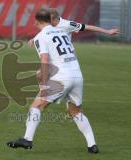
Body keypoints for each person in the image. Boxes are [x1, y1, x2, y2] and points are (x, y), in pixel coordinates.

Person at [7, 8, 100, 153]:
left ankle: (27, 140)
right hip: (77, 75)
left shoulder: (41, 36)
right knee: (75, 111)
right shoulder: (62, 31)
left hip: (62, 78)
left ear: (37, 21)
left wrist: (44, 83)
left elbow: (45, 60)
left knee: (36, 106)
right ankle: (92, 145)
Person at [28, 8, 120, 46]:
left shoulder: (67, 24)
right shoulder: (49, 25)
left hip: (66, 57)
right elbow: (44, 32)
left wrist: (107, 31)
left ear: (54, 19)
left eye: (48, 19)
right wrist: (34, 39)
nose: (46, 21)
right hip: (54, 55)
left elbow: (87, 27)